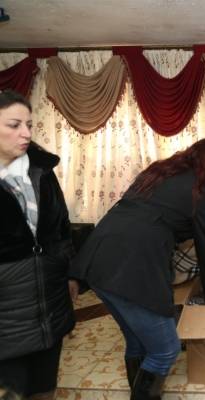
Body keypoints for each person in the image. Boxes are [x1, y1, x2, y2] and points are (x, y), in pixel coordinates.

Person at [69, 138, 205, 399]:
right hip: (133, 263)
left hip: (96, 257)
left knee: (137, 341)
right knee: (166, 349)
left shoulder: (159, 173)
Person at [0, 90, 76, 399]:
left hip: (49, 311)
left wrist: (70, 273)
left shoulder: (41, 171)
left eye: (29, 124)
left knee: (44, 390)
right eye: (14, 125)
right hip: (7, 319)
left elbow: (62, 228)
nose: (26, 133)